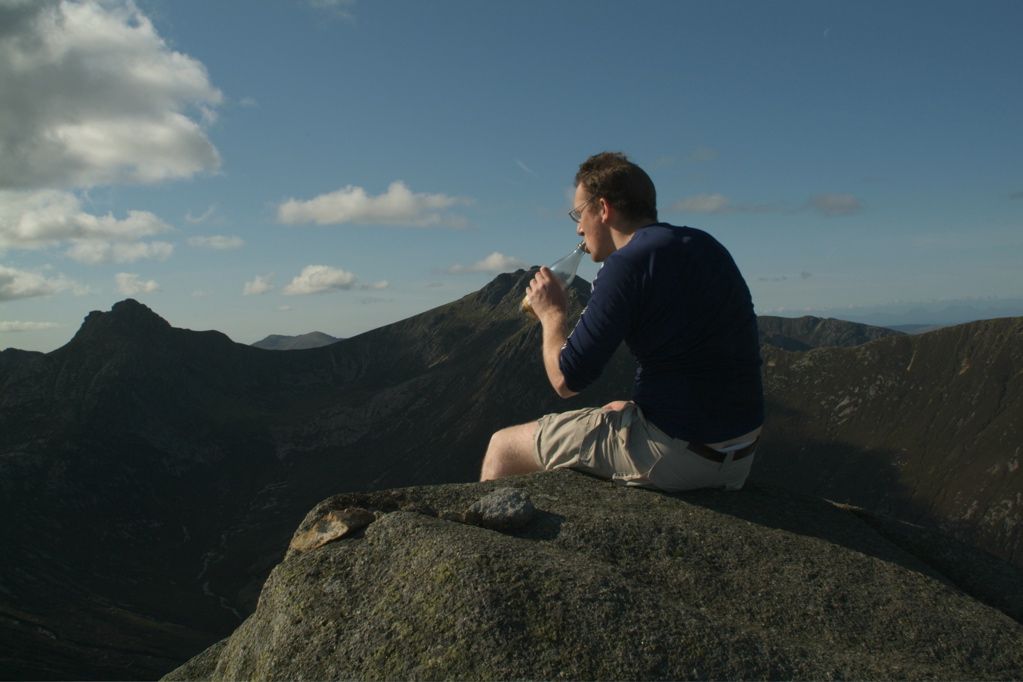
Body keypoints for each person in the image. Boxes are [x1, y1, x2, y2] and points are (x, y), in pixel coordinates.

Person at [479, 152, 764, 491]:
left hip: (674, 456)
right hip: (740, 452)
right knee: (616, 408)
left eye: (579, 213)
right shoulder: (705, 244)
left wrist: (552, 313)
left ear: (603, 208)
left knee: (503, 446)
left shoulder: (626, 264)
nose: (579, 228)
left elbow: (566, 380)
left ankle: (485, 529)